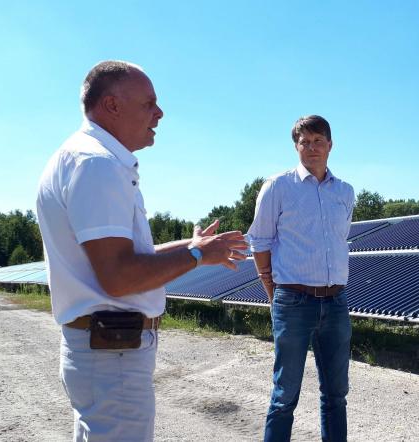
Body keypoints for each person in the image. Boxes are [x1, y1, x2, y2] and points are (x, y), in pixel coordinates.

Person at [36, 60, 247, 442]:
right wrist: (197, 256)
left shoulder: (83, 157)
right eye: (149, 103)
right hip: (112, 357)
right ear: (112, 105)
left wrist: (194, 245)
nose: (159, 112)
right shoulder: (97, 165)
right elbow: (118, 276)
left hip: (102, 353)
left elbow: (126, 255)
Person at [247, 115, 355, 442]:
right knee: (285, 396)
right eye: (304, 142)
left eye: (317, 141)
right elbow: (260, 241)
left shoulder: (345, 192)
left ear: (330, 145)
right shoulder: (278, 187)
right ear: (296, 146)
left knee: (336, 395)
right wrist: (271, 288)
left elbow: (338, 240)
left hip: (336, 302)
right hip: (293, 300)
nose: (311, 148)